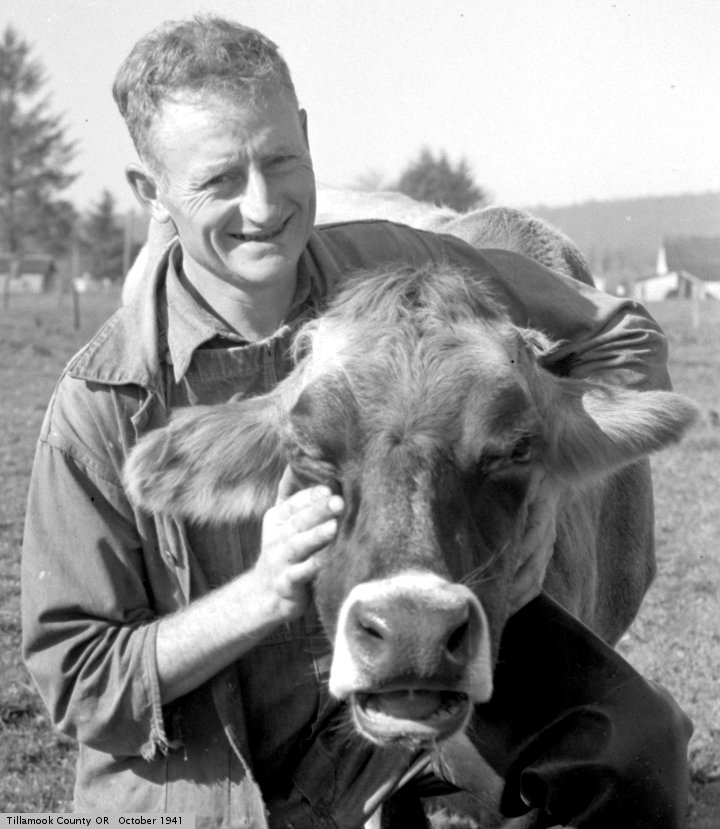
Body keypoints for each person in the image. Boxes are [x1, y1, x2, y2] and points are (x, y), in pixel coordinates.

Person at [21, 15, 691, 829]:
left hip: (394, 703)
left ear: (307, 138)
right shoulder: (101, 403)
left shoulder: (398, 262)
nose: (262, 205)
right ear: (150, 192)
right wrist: (258, 595)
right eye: (219, 179)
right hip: (214, 790)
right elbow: (78, 680)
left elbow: (625, 334)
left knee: (634, 750)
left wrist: (537, 468)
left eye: (279, 161)